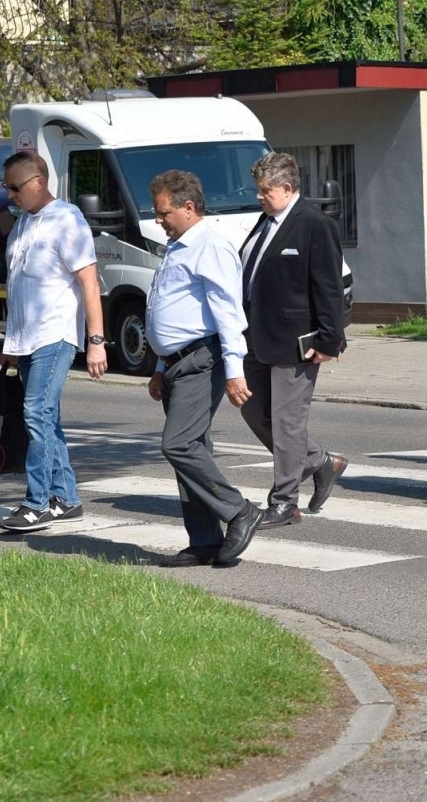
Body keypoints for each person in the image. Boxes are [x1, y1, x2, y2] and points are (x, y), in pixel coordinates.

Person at [146, 169, 263, 566]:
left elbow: (227, 312)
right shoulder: (178, 246)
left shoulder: (210, 245)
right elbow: (173, 309)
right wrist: (161, 364)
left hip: (201, 359)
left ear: (188, 207)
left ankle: (240, 511)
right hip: (177, 363)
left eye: (163, 213)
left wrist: (235, 370)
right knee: (192, 451)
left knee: (177, 444)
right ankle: (204, 540)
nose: (158, 220)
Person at [0, 151, 107, 532]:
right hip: (26, 339)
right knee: (47, 417)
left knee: (36, 413)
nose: (10, 194)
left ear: (38, 182)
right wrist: (11, 342)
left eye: (15, 187)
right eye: (6, 187)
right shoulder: (24, 222)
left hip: (55, 334)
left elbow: (89, 283)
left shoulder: (67, 219)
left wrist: (96, 340)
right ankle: (67, 498)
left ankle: (37, 502)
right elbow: (18, 287)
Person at [238, 152, 349, 529]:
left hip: (296, 341)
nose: (259, 197)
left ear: (287, 188)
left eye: (265, 191)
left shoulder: (315, 225)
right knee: (254, 410)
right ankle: (319, 462)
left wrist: (330, 340)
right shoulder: (265, 222)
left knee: (287, 423)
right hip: (255, 337)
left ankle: (285, 502)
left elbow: (330, 288)